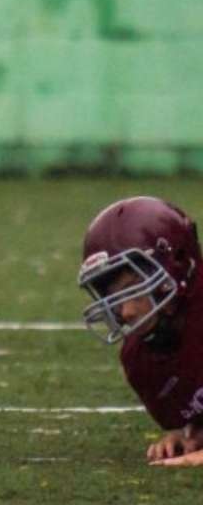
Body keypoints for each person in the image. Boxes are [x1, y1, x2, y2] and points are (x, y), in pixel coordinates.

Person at [77, 195, 203, 467]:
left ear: (178, 267)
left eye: (134, 289)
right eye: (115, 297)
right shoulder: (141, 363)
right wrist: (188, 433)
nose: (126, 312)